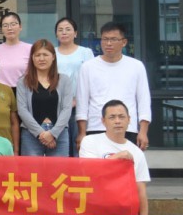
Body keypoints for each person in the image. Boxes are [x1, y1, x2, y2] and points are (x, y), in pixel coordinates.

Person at [77, 21, 151, 151]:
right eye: (105, 39)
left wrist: (143, 131)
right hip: (96, 128)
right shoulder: (88, 67)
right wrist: (82, 132)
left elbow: (144, 101)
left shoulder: (136, 66)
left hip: (127, 128)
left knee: (126, 163)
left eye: (113, 39)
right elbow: (82, 102)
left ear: (124, 42)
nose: (108, 43)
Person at [16, 40, 74, 157]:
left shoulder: (64, 80)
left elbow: (67, 109)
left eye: (45, 55)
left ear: (53, 57)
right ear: (32, 58)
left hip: (59, 134)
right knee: (31, 169)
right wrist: (41, 134)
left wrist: (53, 134)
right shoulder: (23, 82)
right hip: (31, 135)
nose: (41, 59)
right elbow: (22, 110)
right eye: (37, 55)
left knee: (59, 168)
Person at [54, 17, 94, 157]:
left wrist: (78, 99)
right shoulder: (51, 53)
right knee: (60, 145)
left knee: (79, 143)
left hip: (80, 104)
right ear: (56, 34)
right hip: (57, 105)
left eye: (68, 29)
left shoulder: (85, 52)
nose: (64, 32)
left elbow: (91, 78)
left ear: (75, 33)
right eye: (60, 30)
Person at [0, 11, 32, 89]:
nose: (9, 28)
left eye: (13, 24)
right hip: (1, 91)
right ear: (1, 29)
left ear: (20, 27)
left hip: (24, 90)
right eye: (5, 25)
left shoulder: (30, 49)